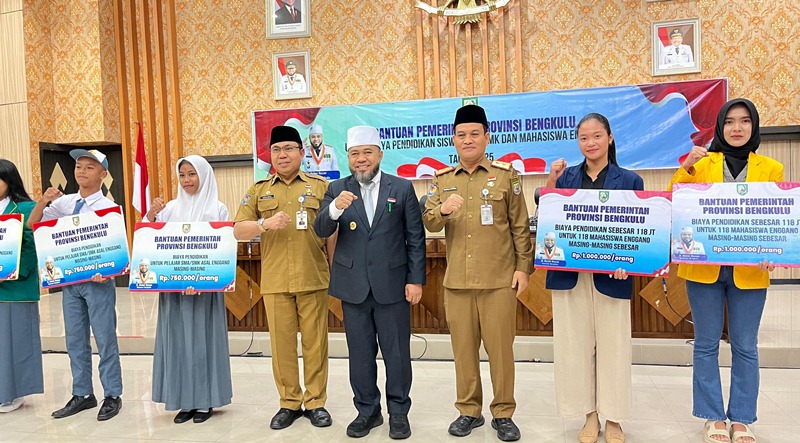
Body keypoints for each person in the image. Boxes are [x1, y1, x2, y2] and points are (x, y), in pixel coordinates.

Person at [669, 98, 782, 443]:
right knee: (705, 344)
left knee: (746, 345)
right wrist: (686, 165)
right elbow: (677, 198)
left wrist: (773, 250)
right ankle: (712, 416)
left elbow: (777, 218)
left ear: (754, 126)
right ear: (719, 126)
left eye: (744, 121)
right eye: (730, 121)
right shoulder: (703, 163)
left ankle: (742, 418)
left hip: (750, 271)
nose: (737, 128)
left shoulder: (771, 168)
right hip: (703, 269)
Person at [422, 104, 532, 442]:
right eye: (461, 135)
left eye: (474, 134)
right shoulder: (441, 181)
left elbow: (520, 226)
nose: (468, 140)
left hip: (499, 280)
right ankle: (468, 411)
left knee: (501, 352)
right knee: (464, 353)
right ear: (453, 140)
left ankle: (503, 413)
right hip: (457, 283)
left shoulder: (506, 176)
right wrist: (441, 209)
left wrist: (523, 269)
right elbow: (427, 221)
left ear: (487, 136)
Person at [314, 126, 426, 439]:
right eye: (354, 154)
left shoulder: (402, 188)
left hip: (393, 285)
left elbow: (415, 238)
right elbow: (320, 229)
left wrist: (416, 280)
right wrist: (335, 208)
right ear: (348, 157)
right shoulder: (336, 188)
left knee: (397, 354)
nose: (361, 159)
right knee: (360, 354)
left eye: (367, 153)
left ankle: (399, 412)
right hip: (353, 286)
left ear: (379, 154)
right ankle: (367, 411)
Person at [545, 113, 643, 443]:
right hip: (570, 277)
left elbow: (639, 234)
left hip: (612, 276)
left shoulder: (630, 181)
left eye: (597, 136)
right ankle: (588, 415)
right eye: (584, 138)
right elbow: (548, 217)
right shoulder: (565, 178)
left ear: (610, 138)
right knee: (575, 347)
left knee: (614, 347)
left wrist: (629, 260)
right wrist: (550, 181)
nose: (591, 143)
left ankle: (613, 417)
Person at [234, 126, 335, 430]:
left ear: (302, 153)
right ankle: (289, 403)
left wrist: (335, 270)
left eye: (289, 148)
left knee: (316, 344)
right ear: (271, 156)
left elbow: (333, 233)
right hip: (276, 280)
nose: (283, 155)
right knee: (282, 346)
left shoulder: (321, 187)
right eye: (277, 150)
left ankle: (316, 402)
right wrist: (265, 223)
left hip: (313, 276)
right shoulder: (259, 188)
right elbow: (239, 231)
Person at [27, 149, 123, 421]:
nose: (81, 171)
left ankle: (112, 394)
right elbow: (34, 224)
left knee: (105, 339)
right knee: (74, 340)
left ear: (103, 175)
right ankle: (82, 393)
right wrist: (43, 201)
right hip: (70, 282)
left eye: (89, 167)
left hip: (98, 283)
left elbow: (115, 250)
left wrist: (106, 270)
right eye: (78, 166)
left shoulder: (109, 209)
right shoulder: (64, 203)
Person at [145, 155, 233, 424]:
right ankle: (184, 399)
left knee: (203, 343)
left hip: (205, 293)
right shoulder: (170, 209)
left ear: (204, 175)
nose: (187, 180)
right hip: (174, 292)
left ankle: (205, 401)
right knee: (179, 344)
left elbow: (225, 251)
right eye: (182, 175)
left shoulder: (218, 210)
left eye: (192, 174)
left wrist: (201, 279)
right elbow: (149, 241)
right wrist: (151, 214)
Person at [0, 159, 44, 413]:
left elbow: (32, 247)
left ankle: (13, 393)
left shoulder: (27, 208)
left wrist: (10, 273)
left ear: (10, 181)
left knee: (15, 343)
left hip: (16, 288)